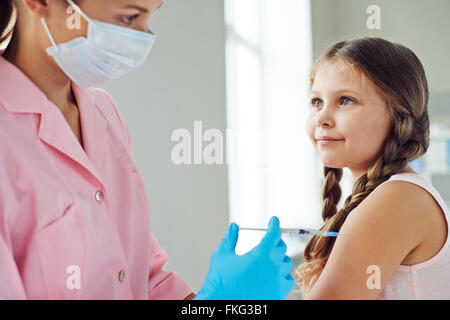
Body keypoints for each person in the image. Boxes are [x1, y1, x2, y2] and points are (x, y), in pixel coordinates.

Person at [0, 0, 294, 299]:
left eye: (149, 19)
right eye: (129, 18)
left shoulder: (102, 112)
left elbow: (141, 279)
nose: (142, 37)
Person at [295, 38, 450, 299]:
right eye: (317, 102)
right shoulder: (390, 194)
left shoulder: (397, 198)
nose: (321, 118)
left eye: (346, 100)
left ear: (397, 114)